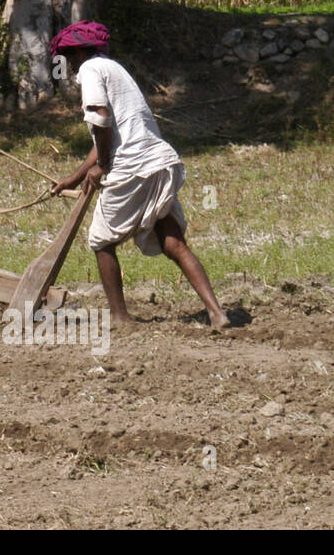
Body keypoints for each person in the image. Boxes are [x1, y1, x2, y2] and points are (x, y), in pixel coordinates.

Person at [48, 21, 231, 329]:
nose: (64, 64)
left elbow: (101, 119)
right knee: (173, 242)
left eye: (65, 57)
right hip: (158, 161)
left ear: (76, 52)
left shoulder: (90, 71)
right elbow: (107, 132)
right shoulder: (113, 69)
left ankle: (120, 318)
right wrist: (75, 177)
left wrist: (104, 165)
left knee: (101, 242)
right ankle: (217, 313)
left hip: (131, 167)